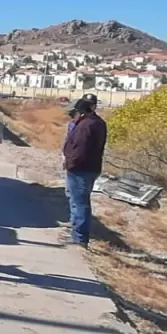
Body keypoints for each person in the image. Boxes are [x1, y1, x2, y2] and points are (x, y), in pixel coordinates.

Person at [62, 96, 107, 248]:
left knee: (79, 203)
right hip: (91, 168)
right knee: (79, 201)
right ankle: (77, 234)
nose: (71, 117)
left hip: (80, 169)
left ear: (80, 112)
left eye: (72, 113)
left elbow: (79, 150)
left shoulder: (85, 126)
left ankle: (79, 238)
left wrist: (70, 164)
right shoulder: (98, 123)